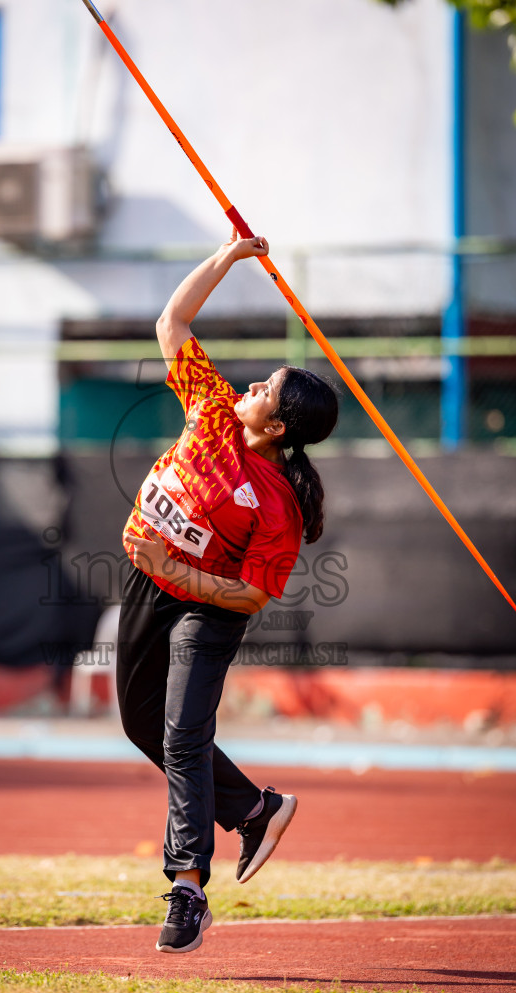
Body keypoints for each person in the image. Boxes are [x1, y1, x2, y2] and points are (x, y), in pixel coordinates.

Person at [118, 230, 339, 954]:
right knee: (138, 723)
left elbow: (248, 597)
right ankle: (255, 808)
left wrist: (177, 571)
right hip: (147, 580)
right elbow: (170, 324)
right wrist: (225, 258)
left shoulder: (274, 501)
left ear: (276, 427)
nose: (250, 386)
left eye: (264, 391)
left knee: (183, 735)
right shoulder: (212, 405)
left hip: (207, 610)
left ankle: (185, 890)